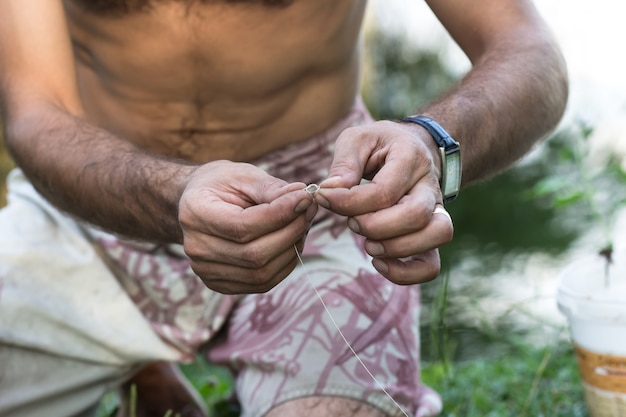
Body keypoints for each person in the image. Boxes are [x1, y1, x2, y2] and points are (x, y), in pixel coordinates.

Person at [0, 0, 567, 416]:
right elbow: (34, 113)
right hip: (94, 203)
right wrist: (174, 197)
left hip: (325, 205)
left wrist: (429, 141)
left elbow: (529, 52)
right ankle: (144, 363)